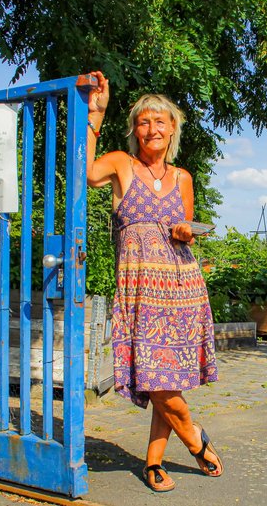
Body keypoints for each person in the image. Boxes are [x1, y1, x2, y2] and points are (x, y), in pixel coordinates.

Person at [85, 71, 223, 492]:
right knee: (155, 377)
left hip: (182, 286)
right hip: (140, 288)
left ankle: (153, 462)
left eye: (160, 121)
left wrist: (185, 231)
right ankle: (195, 439)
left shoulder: (183, 177)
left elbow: (183, 226)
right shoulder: (120, 165)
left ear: (173, 129)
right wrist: (97, 110)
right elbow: (84, 172)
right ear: (134, 130)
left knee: (167, 378)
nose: (152, 128)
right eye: (144, 121)